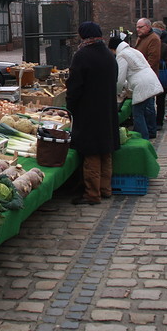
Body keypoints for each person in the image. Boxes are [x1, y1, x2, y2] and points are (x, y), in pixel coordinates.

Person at [66, 22, 120, 205]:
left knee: (92, 153)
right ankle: (105, 188)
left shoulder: (82, 55)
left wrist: (70, 106)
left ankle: (92, 193)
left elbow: (74, 86)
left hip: (89, 110)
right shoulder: (109, 55)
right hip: (107, 109)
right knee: (106, 150)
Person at [109, 35, 163, 140]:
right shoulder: (134, 51)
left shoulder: (122, 55)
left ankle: (143, 137)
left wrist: (117, 92)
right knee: (148, 109)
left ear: (114, 49)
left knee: (137, 112)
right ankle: (151, 131)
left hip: (141, 84)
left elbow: (120, 78)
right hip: (151, 79)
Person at [152, 21, 167, 125]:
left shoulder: (165, 47)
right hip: (152, 76)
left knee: (161, 100)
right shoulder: (150, 46)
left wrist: (159, 64)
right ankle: (155, 120)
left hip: (161, 76)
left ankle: (159, 121)